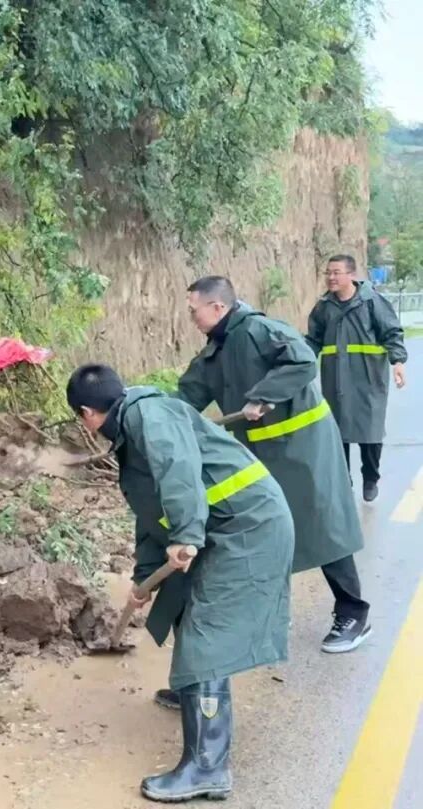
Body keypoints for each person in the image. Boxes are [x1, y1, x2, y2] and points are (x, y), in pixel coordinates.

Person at [67, 365, 293, 804]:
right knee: (184, 606)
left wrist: (187, 534)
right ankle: (195, 691)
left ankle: (208, 767)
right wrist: (143, 578)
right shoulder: (133, 425)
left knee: (207, 631)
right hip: (221, 524)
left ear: (87, 414)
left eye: (83, 419)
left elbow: (179, 470)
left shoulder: (149, 416)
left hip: (248, 525)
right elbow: (152, 511)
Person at [172, 276, 369, 665]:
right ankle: (270, 617)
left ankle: (354, 613)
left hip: (304, 447)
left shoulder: (260, 330)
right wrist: (149, 417)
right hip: (261, 455)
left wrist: (263, 396)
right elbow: (185, 397)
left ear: (217, 307)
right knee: (268, 531)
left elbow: (302, 360)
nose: (191, 317)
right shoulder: (215, 352)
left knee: (323, 526)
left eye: (194, 310)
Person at [306, 254, 407, 502]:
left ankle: (370, 478)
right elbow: (312, 341)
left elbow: (392, 332)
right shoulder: (323, 307)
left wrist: (398, 362)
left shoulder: (372, 302)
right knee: (336, 432)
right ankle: (344, 481)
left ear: (351, 275)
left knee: (369, 431)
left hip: (368, 377)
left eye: (336, 272)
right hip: (335, 379)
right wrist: (299, 365)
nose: (331, 277)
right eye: (328, 272)